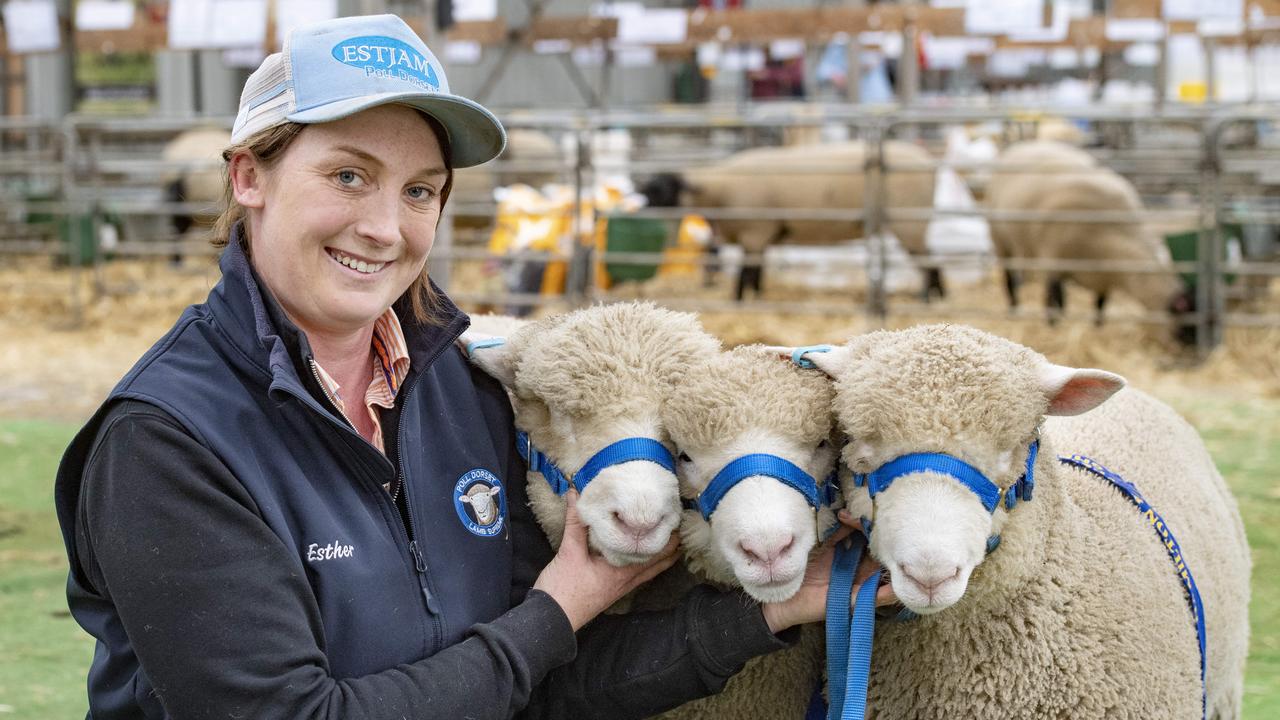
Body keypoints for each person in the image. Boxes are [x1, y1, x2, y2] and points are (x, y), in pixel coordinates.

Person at [54, 14, 887, 719]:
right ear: (249, 176)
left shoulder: (461, 387)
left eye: (421, 191)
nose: (385, 227)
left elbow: (542, 681)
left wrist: (779, 606)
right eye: (349, 175)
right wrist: (557, 610)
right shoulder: (164, 443)